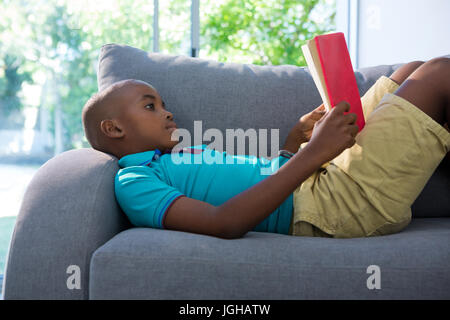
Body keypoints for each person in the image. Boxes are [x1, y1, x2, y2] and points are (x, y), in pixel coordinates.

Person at [82, 57, 450, 239]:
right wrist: (314, 154)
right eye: (151, 106)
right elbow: (225, 223)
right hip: (331, 206)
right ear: (113, 128)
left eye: (161, 104)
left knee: (411, 70)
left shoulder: (181, 156)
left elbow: (263, 179)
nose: (168, 112)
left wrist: (295, 142)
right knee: (439, 74)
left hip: (317, 182)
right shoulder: (134, 179)